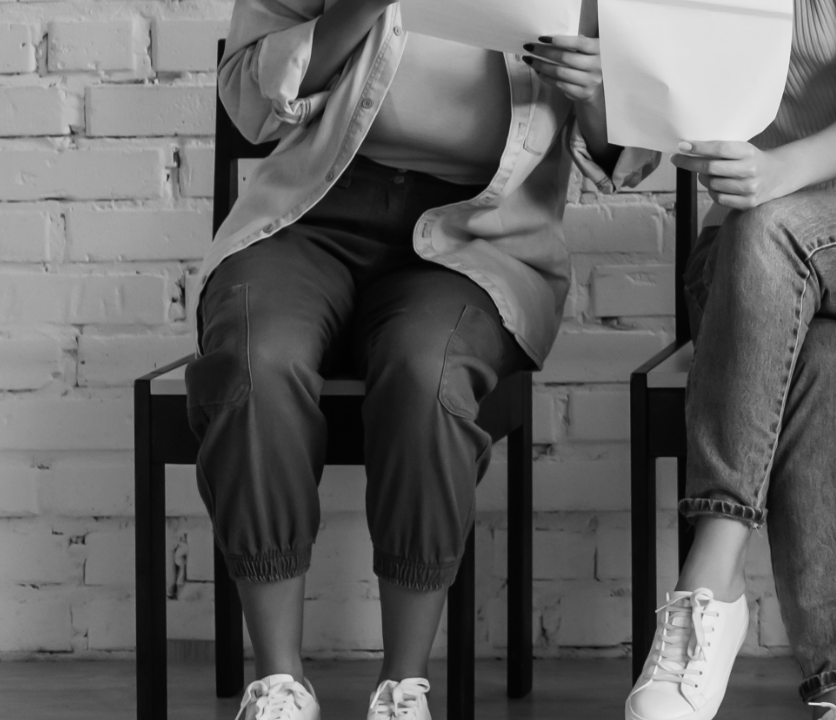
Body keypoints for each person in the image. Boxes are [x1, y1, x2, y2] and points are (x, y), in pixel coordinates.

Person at [516, 0, 836, 718]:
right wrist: (596, 96)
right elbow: (637, 148)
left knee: (769, 229)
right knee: (824, 358)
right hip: (758, 272)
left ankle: (709, 578)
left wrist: (778, 173)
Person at [201, 0, 618, 716]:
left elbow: (630, 152)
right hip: (311, 213)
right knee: (256, 360)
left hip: (479, 235)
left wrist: (599, 91)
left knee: (427, 371)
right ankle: (277, 685)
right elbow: (246, 96)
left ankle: (401, 687)